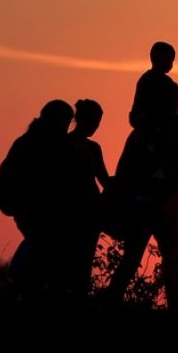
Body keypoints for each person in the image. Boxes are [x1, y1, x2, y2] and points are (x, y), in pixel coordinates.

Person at [103, 42, 178, 309]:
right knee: (132, 259)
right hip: (143, 203)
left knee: (173, 261)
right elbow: (130, 172)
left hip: (166, 204)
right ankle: (110, 303)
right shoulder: (142, 136)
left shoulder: (176, 126)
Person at [0, 100, 76, 303]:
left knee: (47, 250)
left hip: (46, 210)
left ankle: (34, 290)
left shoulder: (60, 144)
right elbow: (2, 177)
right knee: (41, 244)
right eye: (63, 122)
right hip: (26, 207)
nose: (65, 127)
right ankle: (20, 278)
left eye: (68, 123)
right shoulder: (25, 143)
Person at [64, 98, 110, 299]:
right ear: (79, 119)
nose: (94, 127)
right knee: (66, 260)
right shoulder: (63, 144)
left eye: (97, 123)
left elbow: (104, 179)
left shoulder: (94, 148)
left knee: (84, 263)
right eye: (92, 121)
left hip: (92, 211)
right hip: (69, 211)